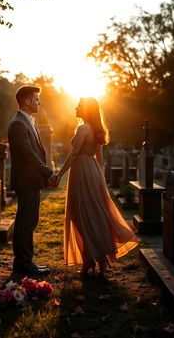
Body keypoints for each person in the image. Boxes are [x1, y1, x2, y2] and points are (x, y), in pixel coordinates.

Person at [52, 97, 138, 275]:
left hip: (83, 172)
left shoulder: (83, 128)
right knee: (90, 214)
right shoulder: (97, 129)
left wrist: (59, 174)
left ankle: (95, 258)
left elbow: (74, 154)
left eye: (80, 106)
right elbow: (101, 159)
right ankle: (92, 259)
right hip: (92, 171)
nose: (76, 107)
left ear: (87, 110)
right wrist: (100, 178)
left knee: (82, 215)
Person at [8, 85, 56, 275]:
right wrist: (48, 173)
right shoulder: (18, 123)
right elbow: (28, 154)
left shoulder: (27, 121)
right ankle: (23, 264)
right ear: (27, 101)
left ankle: (26, 262)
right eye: (37, 99)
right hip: (26, 181)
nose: (39, 102)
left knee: (30, 222)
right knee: (25, 223)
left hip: (31, 181)